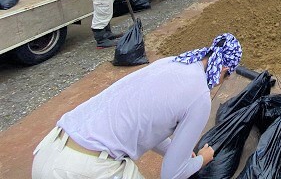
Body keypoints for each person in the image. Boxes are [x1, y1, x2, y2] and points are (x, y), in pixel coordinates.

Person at [32, 33, 243, 179]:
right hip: (83, 169)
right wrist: (201, 160)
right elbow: (172, 174)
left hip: (48, 152)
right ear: (224, 70)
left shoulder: (173, 62)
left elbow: (148, 125)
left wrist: (180, 152)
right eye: (227, 76)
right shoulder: (200, 97)